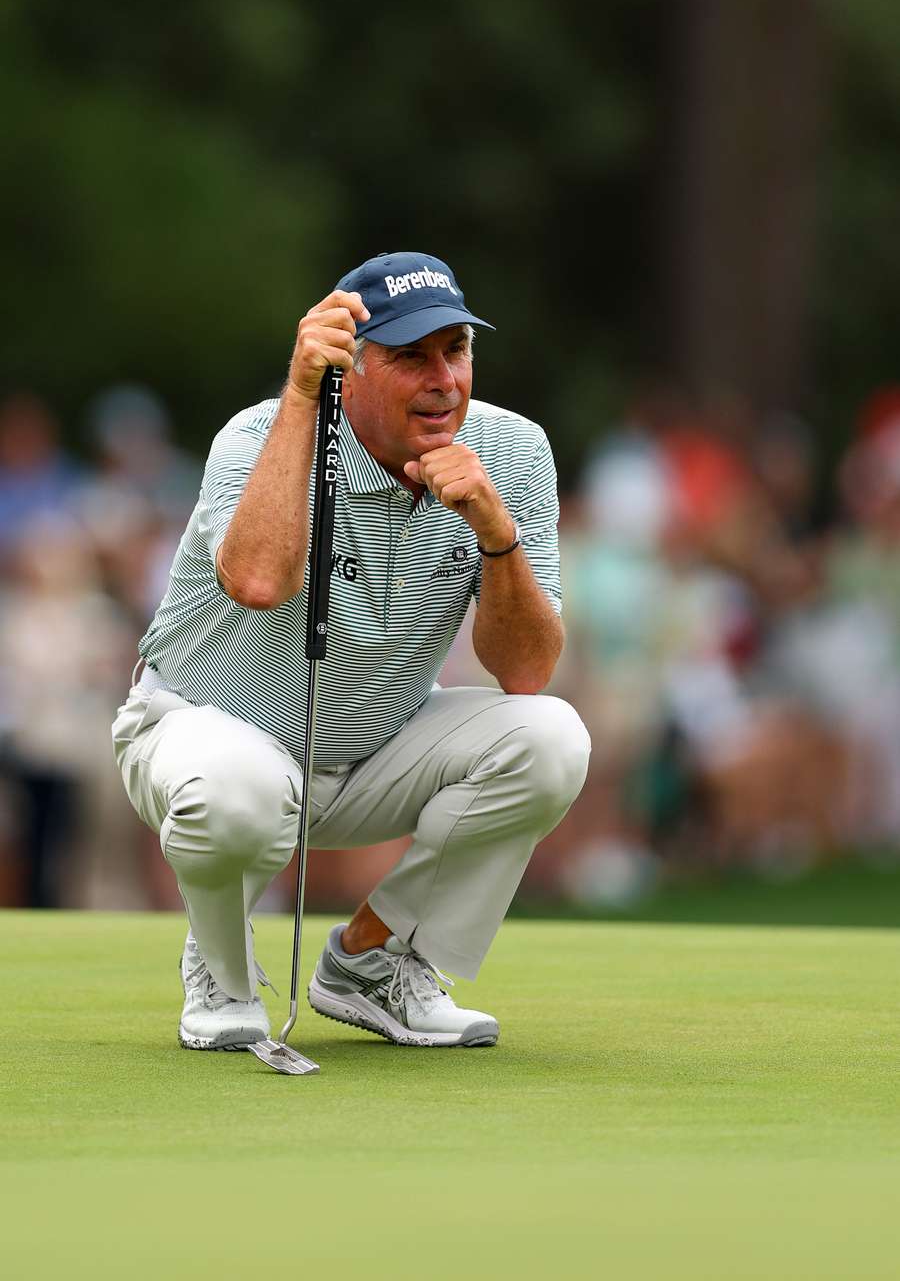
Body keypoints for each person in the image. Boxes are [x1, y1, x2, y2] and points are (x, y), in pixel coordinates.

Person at [112, 251, 591, 1051]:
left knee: (551, 738)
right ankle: (223, 973)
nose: (444, 379)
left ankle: (376, 960)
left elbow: (526, 670)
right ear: (351, 369)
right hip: (198, 729)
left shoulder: (511, 452)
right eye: (411, 356)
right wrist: (303, 394)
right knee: (238, 788)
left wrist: (495, 534)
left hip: (371, 749)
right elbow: (260, 580)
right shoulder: (258, 435)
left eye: (457, 350)